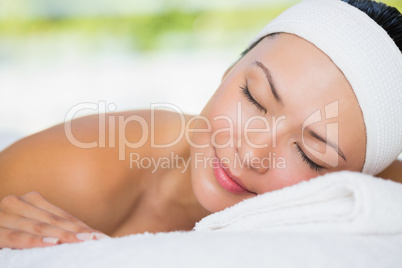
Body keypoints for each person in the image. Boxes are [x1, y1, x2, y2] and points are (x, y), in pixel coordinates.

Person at [0, 0, 401, 249]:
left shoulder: (371, 193)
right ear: (229, 69)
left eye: (310, 152)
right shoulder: (82, 170)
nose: (252, 150)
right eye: (254, 98)